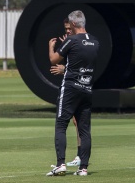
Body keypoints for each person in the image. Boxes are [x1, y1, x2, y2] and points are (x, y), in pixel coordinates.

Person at [46, 10, 99, 176]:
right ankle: (83, 168)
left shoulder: (72, 40)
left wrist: (51, 47)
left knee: (61, 125)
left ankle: (61, 164)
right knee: (84, 130)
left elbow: (54, 59)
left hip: (70, 88)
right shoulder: (95, 42)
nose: (68, 28)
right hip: (87, 88)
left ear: (74, 24)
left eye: (69, 25)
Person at [50, 18, 81, 167]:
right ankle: (80, 156)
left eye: (69, 28)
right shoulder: (71, 41)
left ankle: (79, 156)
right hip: (73, 85)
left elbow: (78, 66)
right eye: (66, 29)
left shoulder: (78, 42)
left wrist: (64, 69)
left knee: (75, 122)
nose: (67, 31)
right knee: (76, 121)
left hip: (77, 87)